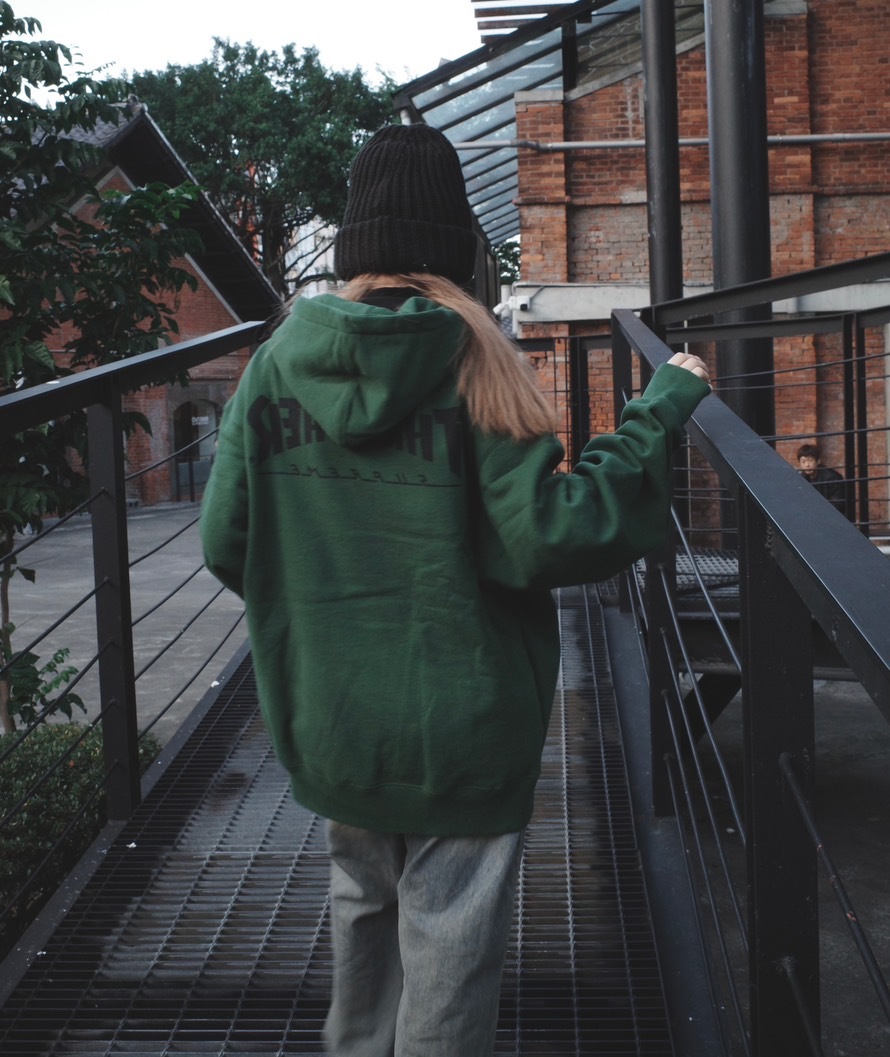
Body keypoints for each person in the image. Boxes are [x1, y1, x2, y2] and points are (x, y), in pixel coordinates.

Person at [199, 122, 711, 1057]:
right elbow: (551, 533)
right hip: (464, 721)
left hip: (331, 713)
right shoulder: (477, 361)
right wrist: (654, 416)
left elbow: (227, 541)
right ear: (455, 242)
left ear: (355, 240)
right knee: (448, 935)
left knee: (363, 908)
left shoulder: (273, 365)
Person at [797, 442, 850, 516]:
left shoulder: (832, 477)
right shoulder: (801, 478)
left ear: (818, 461)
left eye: (810, 460)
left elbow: (838, 503)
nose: (807, 465)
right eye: (803, 461)